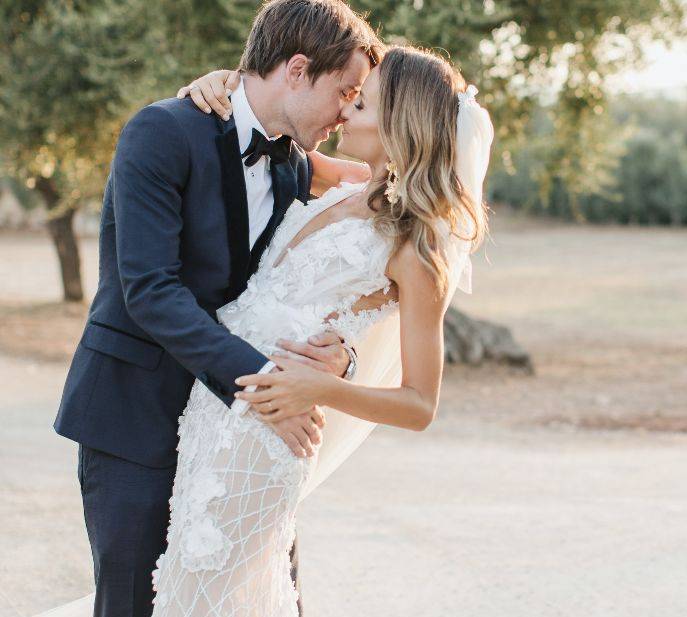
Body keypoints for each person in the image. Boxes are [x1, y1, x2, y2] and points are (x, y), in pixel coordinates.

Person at [42, 39, 493, 617]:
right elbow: (160, 282)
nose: (346, 110)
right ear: (300, 70)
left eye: (361, 101)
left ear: (401, 122)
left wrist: (335, 371)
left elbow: (416, 396)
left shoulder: (410, 237)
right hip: (188, 413)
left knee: (216, 596)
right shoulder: (333, 179)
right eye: (347, 94)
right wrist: (225, 81)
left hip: (266, 428)